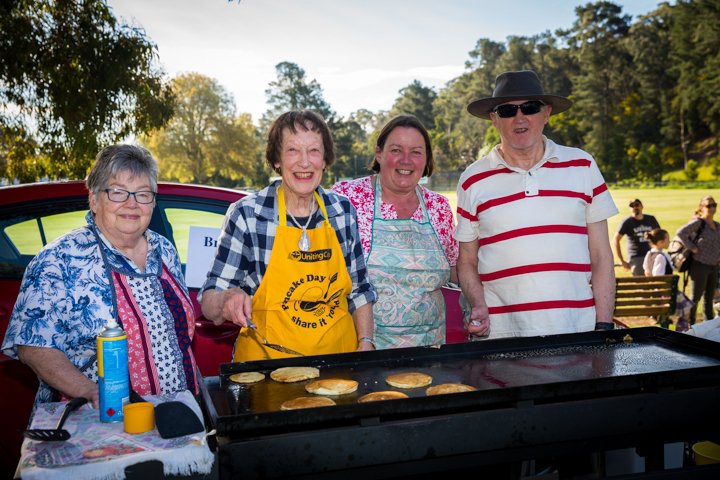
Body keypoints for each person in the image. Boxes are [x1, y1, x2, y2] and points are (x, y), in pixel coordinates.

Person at [1, 145, 199, 409]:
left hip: (177, 413)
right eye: (118, 192)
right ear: (94, 200)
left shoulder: (164, 250)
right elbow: (32, 346)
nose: (132, 203)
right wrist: (91, 392)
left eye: (143, 194)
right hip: (98, 420)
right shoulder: (59, 258)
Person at [199, 110, 376, 360]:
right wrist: (226, 299)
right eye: (292, 150)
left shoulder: (342, 211)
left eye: (314, 151)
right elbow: (209, 299)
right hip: (267, 371)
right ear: (277, 160)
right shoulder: (249, 214)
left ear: (325, 159)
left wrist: (366, 342)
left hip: (339, 367)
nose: (305, 162)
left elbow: (359, 289)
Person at [456, 70, 618, 340]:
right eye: (508, 110)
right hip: (500, 336)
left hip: (576, 329)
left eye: (530, 108)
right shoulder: (473, 178)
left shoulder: (583, 165)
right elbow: (467, 260)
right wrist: (478, 304)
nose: (520, 117)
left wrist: (603, 326)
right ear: (494, 119)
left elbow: (602, 256)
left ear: (547, 113)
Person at [332, 115, 459, 349]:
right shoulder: (347, 199)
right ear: (379, 154)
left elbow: (454, 269)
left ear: (427, 159)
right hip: (359, 349)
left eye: (416, 152)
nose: (406, 160)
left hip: (430, 351)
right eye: (396, 150)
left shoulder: (438, 207)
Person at [676, 196, 720, 324]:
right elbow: (681, 232)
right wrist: (692, 248)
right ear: (701, 208)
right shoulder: (699, 223)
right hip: (699, 265)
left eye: (714, 205)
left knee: (709, 298)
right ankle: (691, 326)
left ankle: (709, 325)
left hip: (714, 266)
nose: (712, 208)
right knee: (695, 298)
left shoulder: (717, 225)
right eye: (708, 206)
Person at [613, 199, 660, 275]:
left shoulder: (651, 219)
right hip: (637, 257)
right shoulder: (627, 222)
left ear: (642, 206)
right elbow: (616, 239)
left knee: (657, 281)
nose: (634, 207)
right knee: (641, 283)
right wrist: (622, 261)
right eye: (632, 206)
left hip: (652, 254)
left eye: (637, 205)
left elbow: (659, 235)